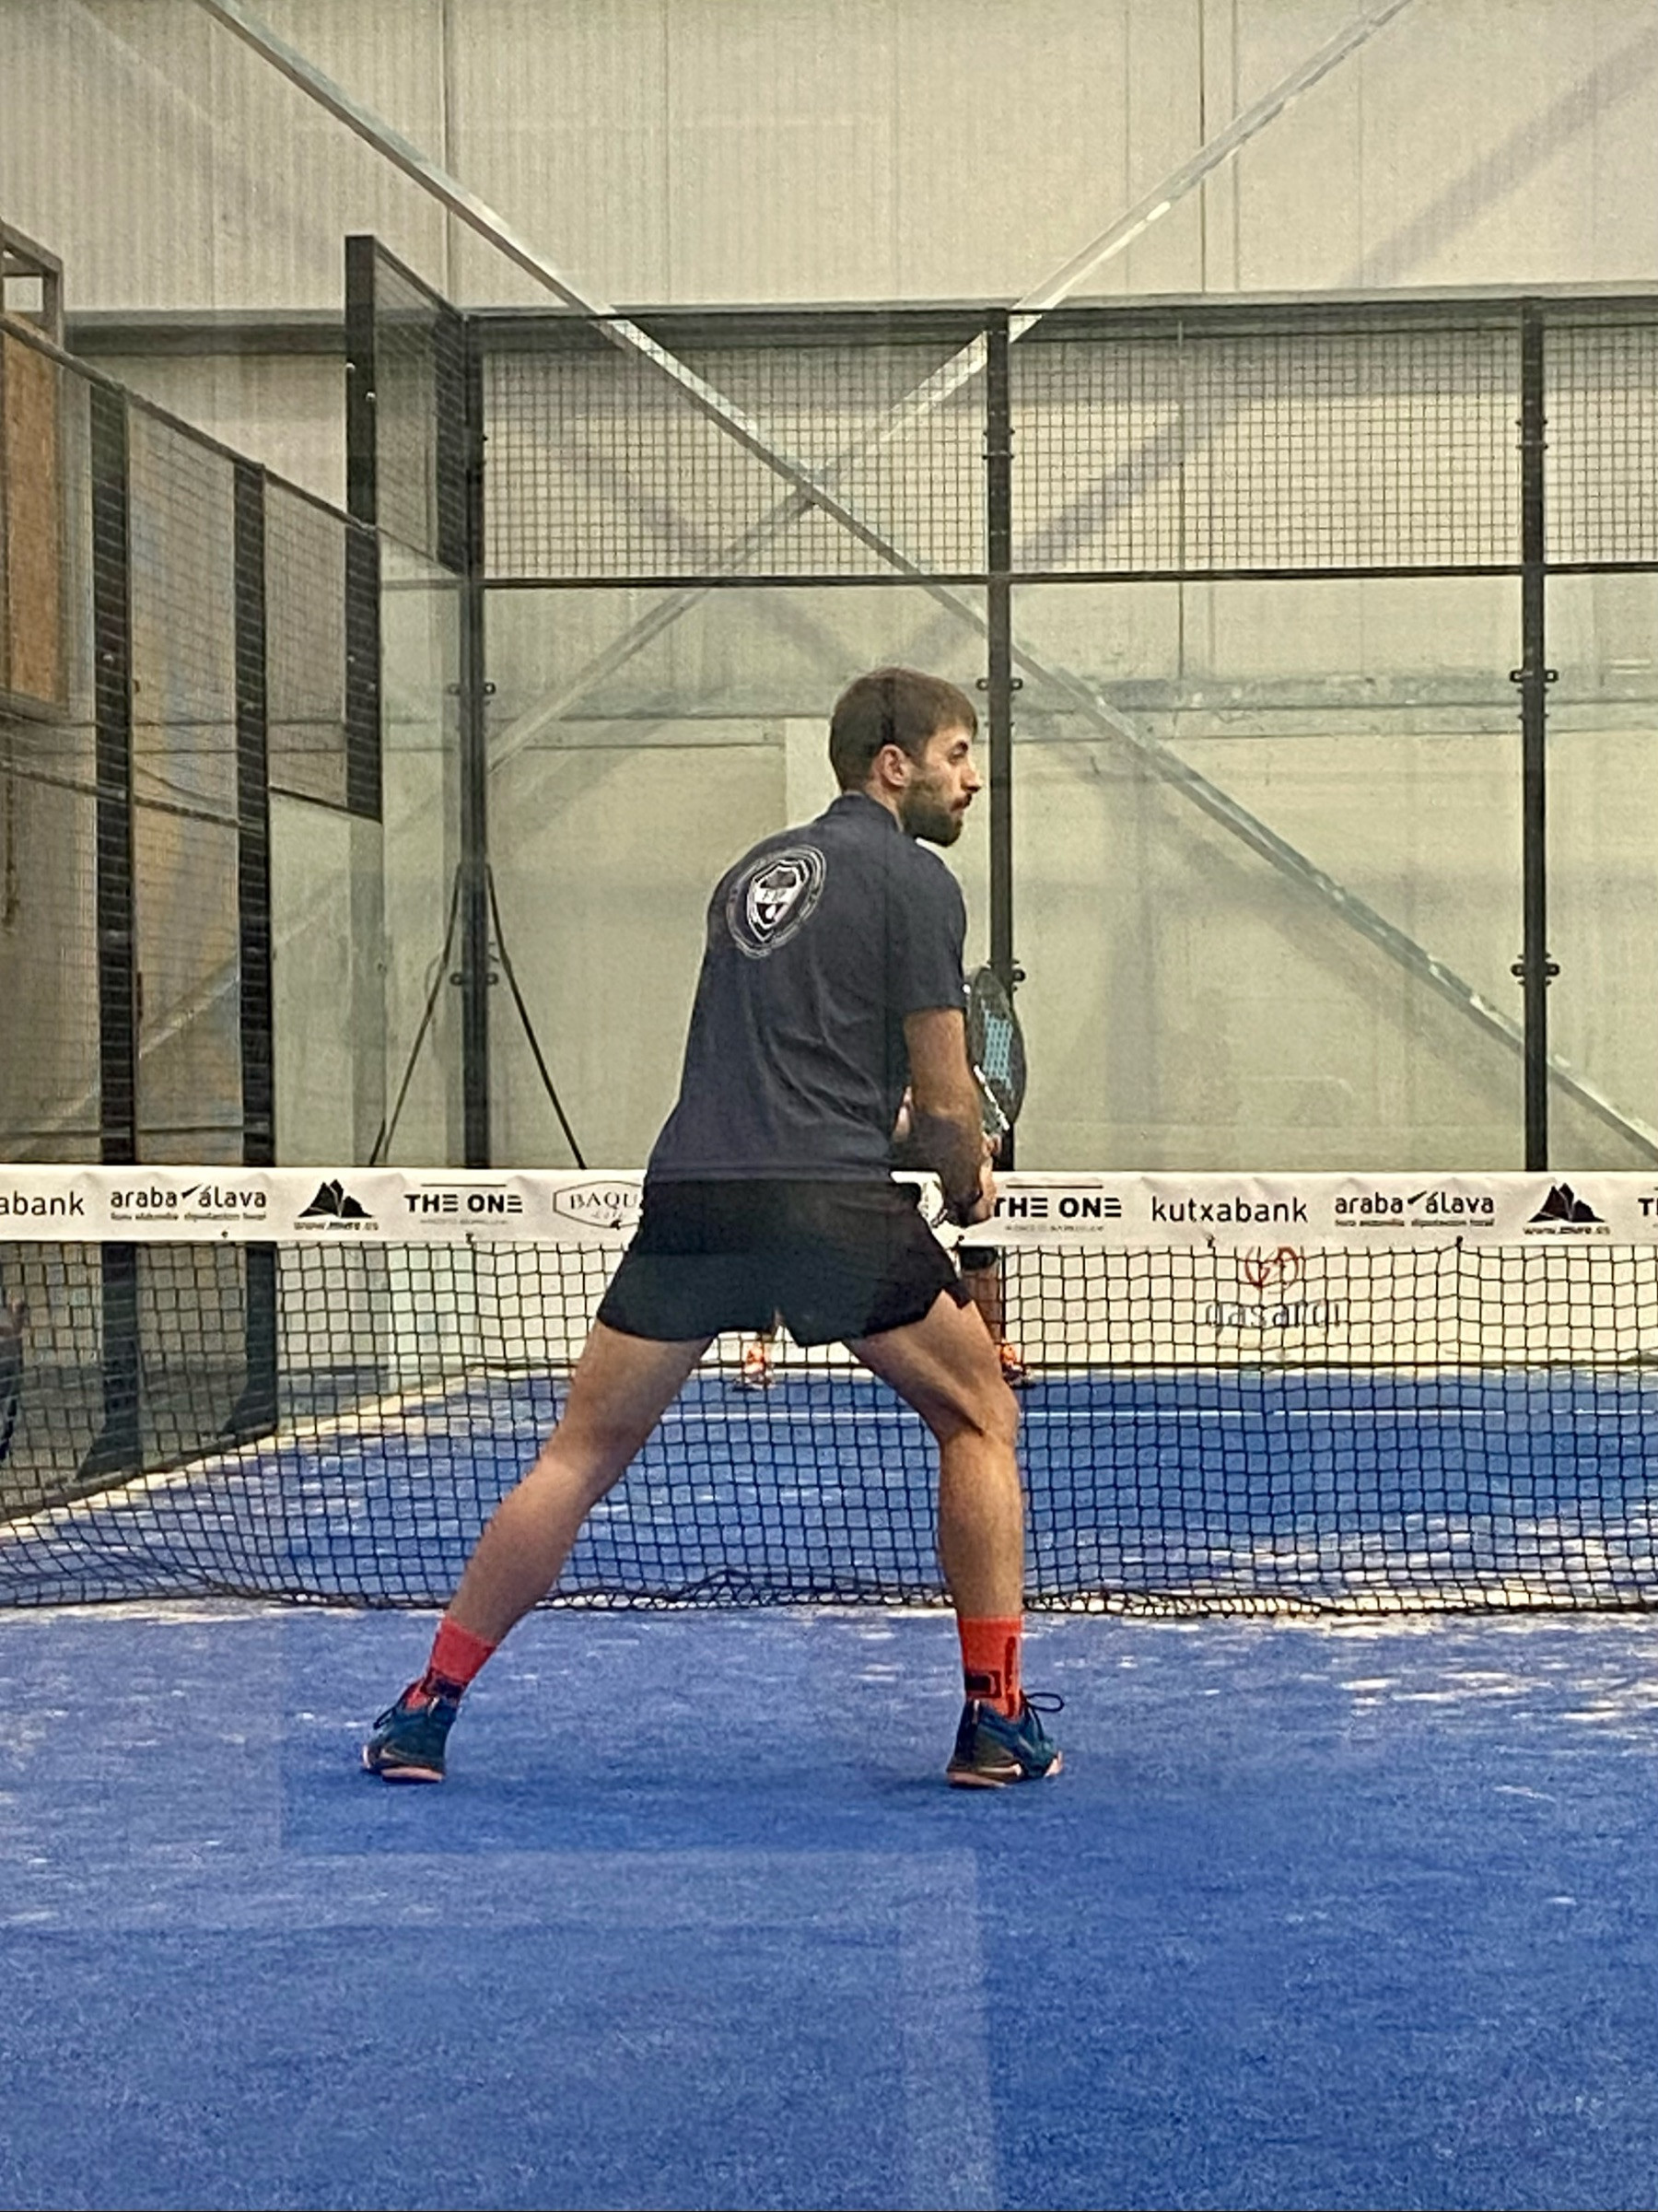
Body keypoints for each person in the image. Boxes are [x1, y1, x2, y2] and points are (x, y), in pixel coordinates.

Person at [363, 667, 1061, 1791]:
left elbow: (791, 1071)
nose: (972, 779)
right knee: (980, 1415)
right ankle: (995, 1717)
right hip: (825, 1201)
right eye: (957, 755)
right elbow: (943, 1109)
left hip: (695, 1189)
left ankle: (424, 1709)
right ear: (894, 765)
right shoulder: (919, 882)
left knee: (578, 1455)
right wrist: (964, 1167)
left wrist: (897, 1126)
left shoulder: (751, 876)